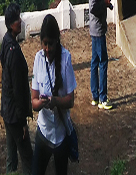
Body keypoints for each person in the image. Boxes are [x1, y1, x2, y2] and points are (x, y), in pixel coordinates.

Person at [30, 14, 76, 175]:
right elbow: (33, 101)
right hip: (43, 131)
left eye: (51, 44)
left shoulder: (65, 59)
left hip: (61, 134)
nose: (48, 49)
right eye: (45, 44)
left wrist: (55, 101)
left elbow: (70, 100)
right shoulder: (38, 59)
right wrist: (41, 103)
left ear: (57, 41)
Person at [0, 2, 34, 173]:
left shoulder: (6, 41)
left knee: (11, 158)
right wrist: (22, 122)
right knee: (28, 157)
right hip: (14, 114)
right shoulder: (13, 50)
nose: (20, 21)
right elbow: (18, 89)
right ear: (12, 24)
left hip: (7, 110)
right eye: (17, 19)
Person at [85, 0, 113, 109]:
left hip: (95, 27)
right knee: (102, 62)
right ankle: (102, 97)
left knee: (95, 61)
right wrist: (105, 3)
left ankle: (95, 96)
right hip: (97, 28)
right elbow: (94, 6)